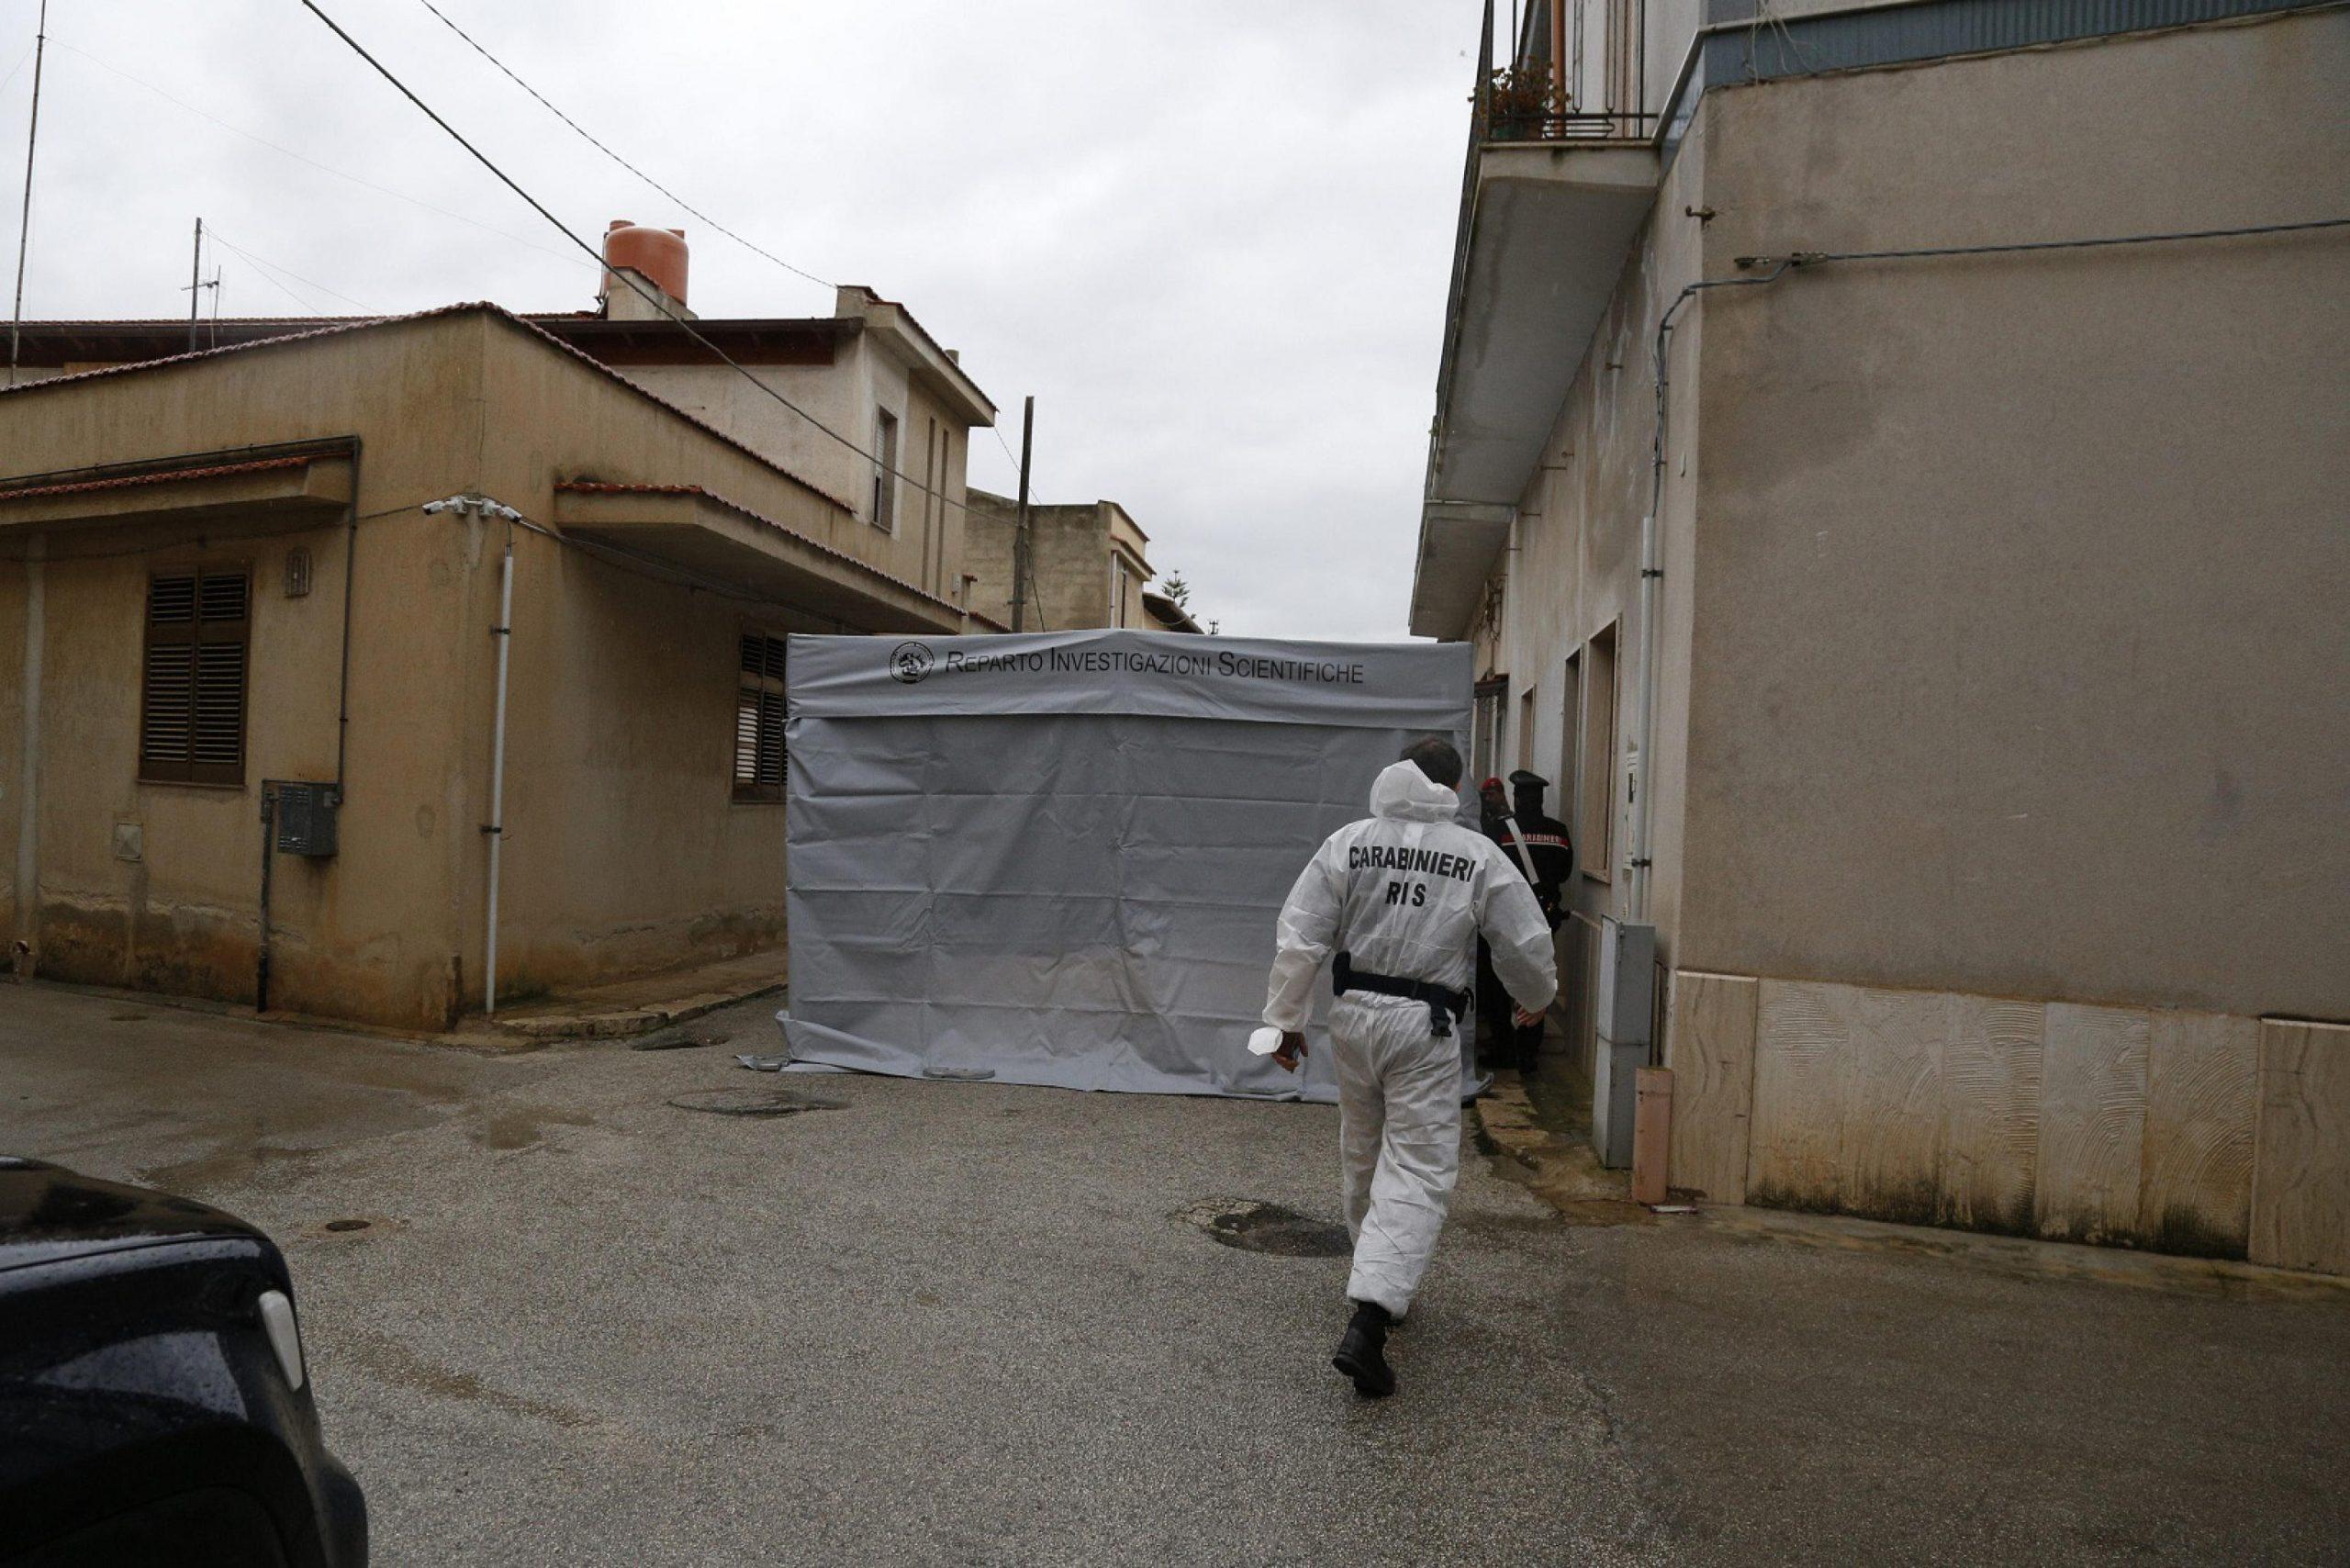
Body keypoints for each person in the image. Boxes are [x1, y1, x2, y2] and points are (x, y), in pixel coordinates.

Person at [1260, 737, 1557, 1398]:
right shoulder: (1474, 854)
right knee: (1418, 1165)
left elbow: (1302, 931)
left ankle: (1379, 1273)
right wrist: (1534, 1000)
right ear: (1451, 787)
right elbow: (1524, 937)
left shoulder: (1349, 841)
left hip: (1355, 1017)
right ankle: (1372, 1317)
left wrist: (1284, 1022)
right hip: (1425, 1025)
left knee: (1363, 1150)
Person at [1500, 769, 1574, 1070]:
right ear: (1541, 799)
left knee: (1503, 981)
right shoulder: (1558, 831)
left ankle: (1506, 1046)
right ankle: (1529, 1052)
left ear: (1517, 798)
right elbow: (1566, 872)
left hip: (1508, 917)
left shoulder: (1502, 830)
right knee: (1538, 979)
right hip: (1544, 918)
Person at [1472, 777, 1516, 1070]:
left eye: (1494, 793)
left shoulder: (1508, 825)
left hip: (1504, 910)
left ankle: (1510, 1046)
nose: (1491, 799)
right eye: (1486, 795)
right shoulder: (1485, 823)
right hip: (1495, 912)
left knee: (1499, 985)